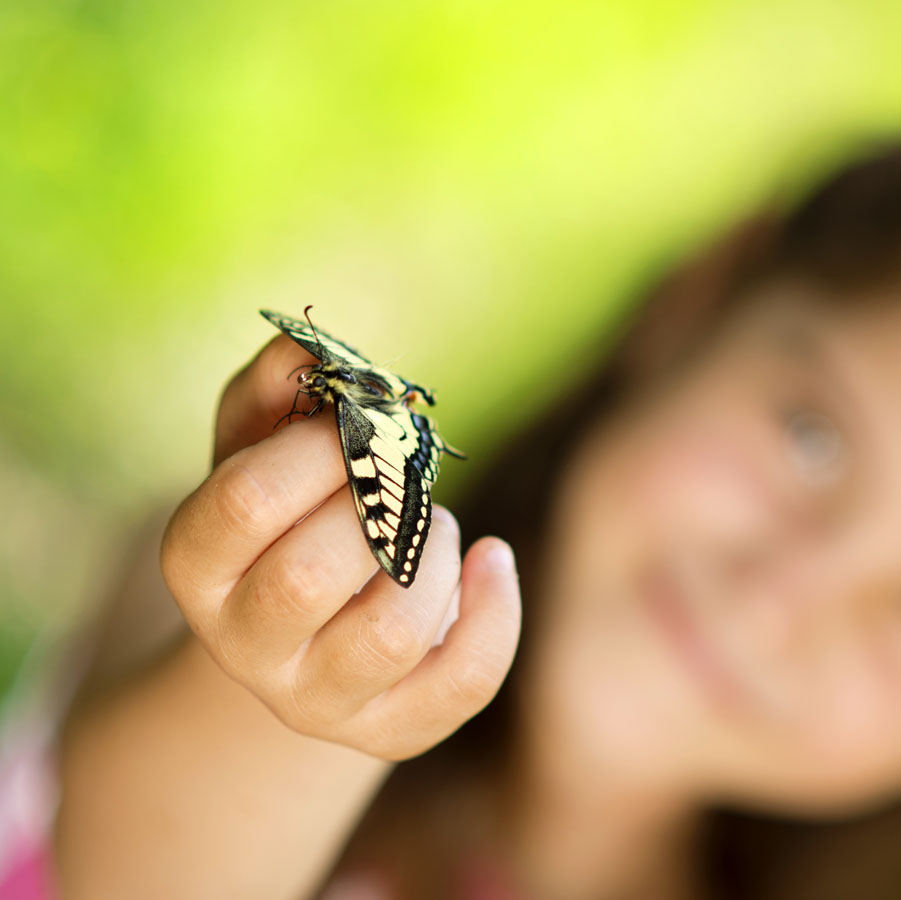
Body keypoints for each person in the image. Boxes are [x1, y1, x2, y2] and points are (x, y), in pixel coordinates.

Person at [48, 141, 901, 900]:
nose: (775, 599)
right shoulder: (194, 589)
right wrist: (302, 676)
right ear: (705, 297)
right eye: (811, 438)